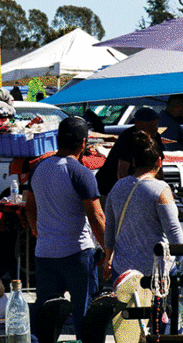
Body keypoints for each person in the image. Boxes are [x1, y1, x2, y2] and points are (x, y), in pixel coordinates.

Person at [26, 116, 106, 338]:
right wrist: (109, 251)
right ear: (83, 144)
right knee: (86, 317)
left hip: (45, 254)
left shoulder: (38, 169)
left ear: (57, 140)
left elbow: (29, 208)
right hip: (77, 253)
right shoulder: (80, 172)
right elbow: (97, 216)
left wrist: (40, 233)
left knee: (46, 318)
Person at [102, 130, 183, 280]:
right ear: (159, 161)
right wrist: (182, 261)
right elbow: (173, 231)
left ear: (133, 162)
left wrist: (108, 258)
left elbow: (110, 228)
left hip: (123, 269)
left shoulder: (117, 187)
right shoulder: (160, 190)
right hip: (155, 269)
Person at [96, 107, 162, 199]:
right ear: (137, 123)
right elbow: (122, 171)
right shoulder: (128, 137)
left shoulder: (156, 137)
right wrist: (130, 196)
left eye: (156, 124)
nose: (155, 128)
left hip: (136, 185)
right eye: (151, 124)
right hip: (109, 188)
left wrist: (161, 188)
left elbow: (159, 166)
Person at [157, 94, 183, 159]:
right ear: (178, 107)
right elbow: (170, 147)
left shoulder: (164, 120)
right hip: (172, 162)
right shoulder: (167, 123)